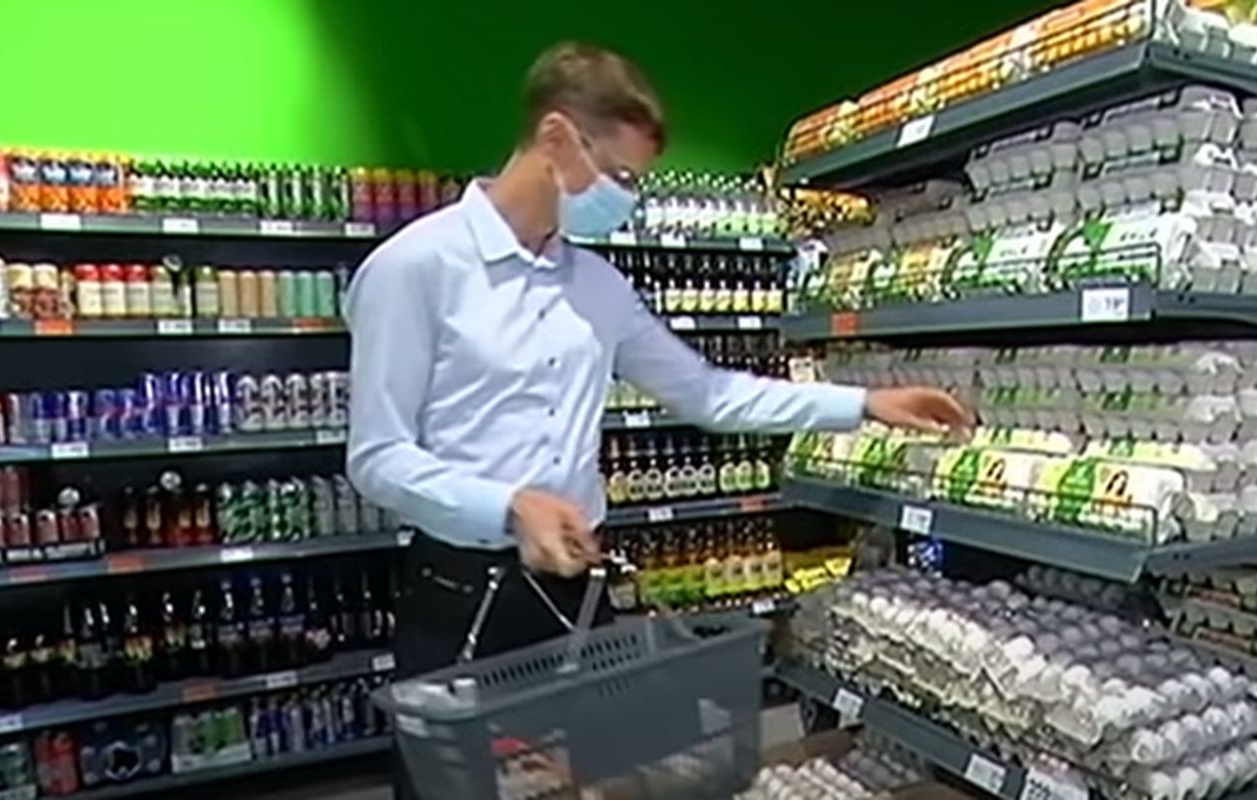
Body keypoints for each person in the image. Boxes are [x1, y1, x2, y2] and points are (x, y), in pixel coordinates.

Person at [344, 40, 971, 796]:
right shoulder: (414, 268)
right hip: (461, 595)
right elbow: (376, 457)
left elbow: (707, 393)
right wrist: (509, 505)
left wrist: (864, 404)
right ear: (555, 137)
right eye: (620, 176)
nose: (627, 199)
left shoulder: (597, 285)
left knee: (586, 788)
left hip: (574, 592)